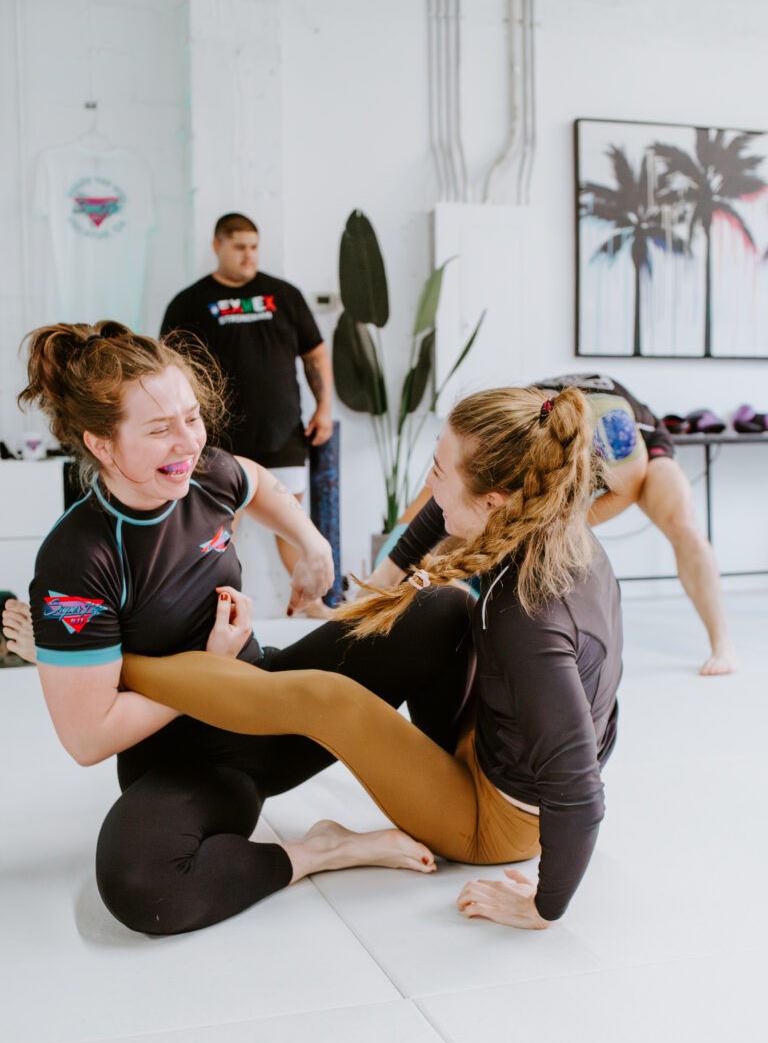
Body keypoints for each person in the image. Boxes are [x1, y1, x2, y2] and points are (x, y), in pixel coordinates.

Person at [23, 321, 478, 936]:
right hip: (190, 764)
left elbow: (256, 480)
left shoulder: (203, 474)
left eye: (191, 417)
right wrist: (210, 667)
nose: (186, 442)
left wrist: (313, 546)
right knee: (139, 880)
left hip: (276, 706)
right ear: (102, 444)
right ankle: (320, 852)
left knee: (443, 609)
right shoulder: (79, 557)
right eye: (159, 429)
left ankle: (450, 786)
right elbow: (88, 737)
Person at [120, 386, 623, 930]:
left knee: (329, 698)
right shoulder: (545, 520)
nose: (430, 483)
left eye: (439, 472)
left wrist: (544, 908)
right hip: (494, 739)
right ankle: (214, 679)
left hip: (495, 822)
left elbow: (578, 790)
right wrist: (374, 593)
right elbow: (440, 512)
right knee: (441, 604)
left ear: (494, 499)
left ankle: (122, 663)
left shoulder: (529, 617)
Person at [160, 212, 334, 617]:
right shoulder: (188, 302)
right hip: (219, 437)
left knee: (293, 523)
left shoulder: (284, 295)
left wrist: (324, 406)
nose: (248, 254)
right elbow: (167, 369)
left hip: (283, 433)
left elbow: (314, 354)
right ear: (217, 246)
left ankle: (314, 606)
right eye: (239, 246)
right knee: (220, 528)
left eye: (254, 246)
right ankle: (215, 612)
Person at [533, 374, 736, 676]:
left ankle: (723, 646)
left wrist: (565, 526)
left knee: (682, 523)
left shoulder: (612, 426)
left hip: (638, 447)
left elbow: (627, 487)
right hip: (573, 431)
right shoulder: (517, 421)